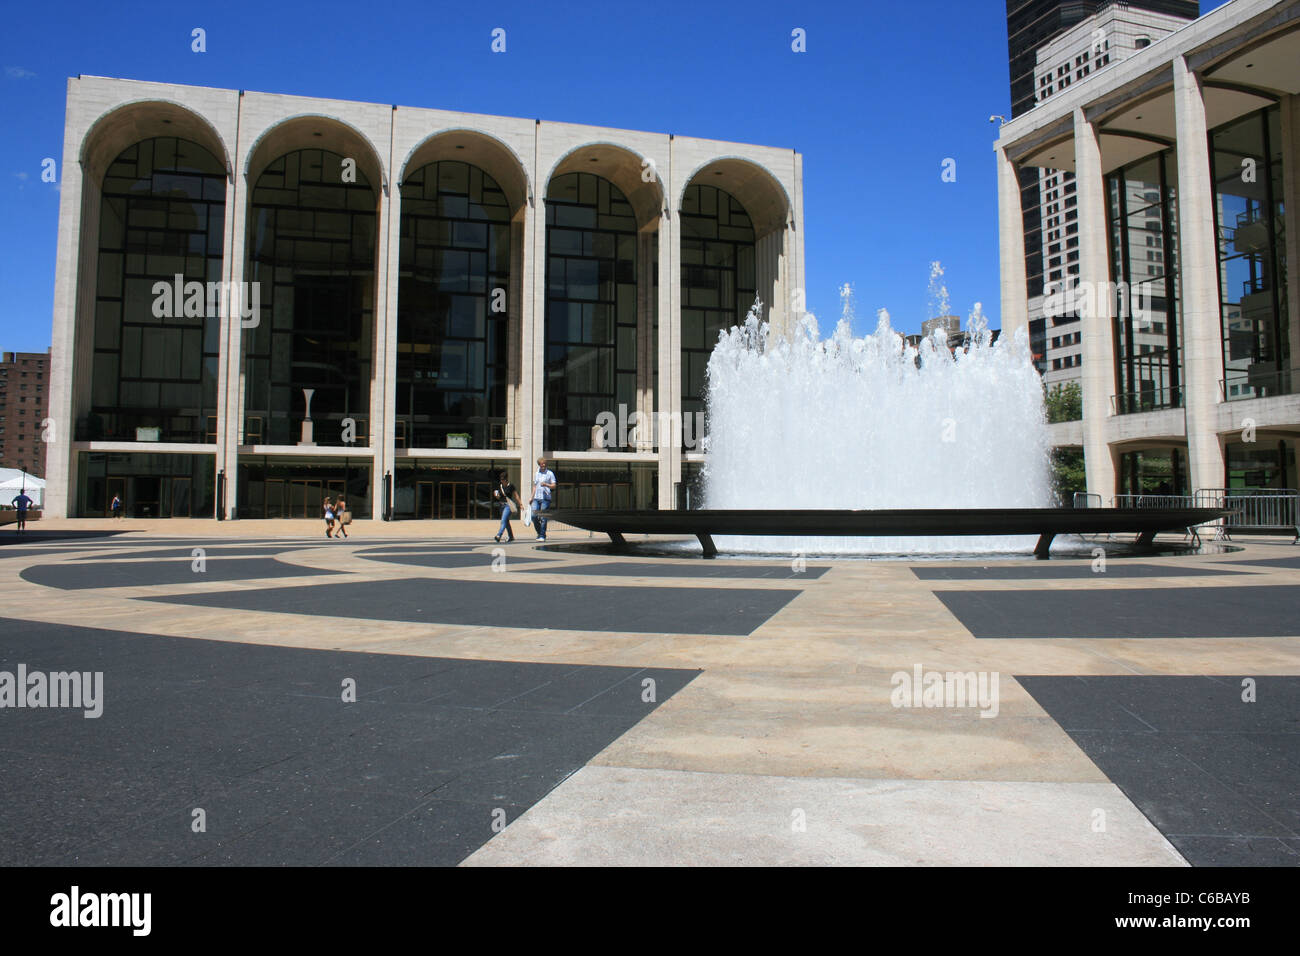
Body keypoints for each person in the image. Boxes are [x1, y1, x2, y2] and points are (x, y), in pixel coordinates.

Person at [530, 456, 556, 541]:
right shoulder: (537, 473)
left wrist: (546, 485)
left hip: (545, 498)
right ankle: (540, 532)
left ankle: (542, 535)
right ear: (539, 465)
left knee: (543, 517)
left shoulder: (550, 473)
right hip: (536, 498)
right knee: (533, 516)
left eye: (544, 464)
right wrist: (531, 497)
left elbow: (554, 485)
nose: (543, 466)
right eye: (542, 465)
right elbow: (534, 486)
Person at [492, 470, 523, 543]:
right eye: (501, 479)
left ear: (507, 479)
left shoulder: (511, 486)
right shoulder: (500, 486)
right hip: (501, 506)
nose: (502, 481)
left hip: (508, 506)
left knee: (503, 520)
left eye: (504, 479)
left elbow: (516, 495)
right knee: (506, 521)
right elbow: (497, 495)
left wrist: (520, 504)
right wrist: (496, 495)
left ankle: (499, 535)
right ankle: (511, 536)